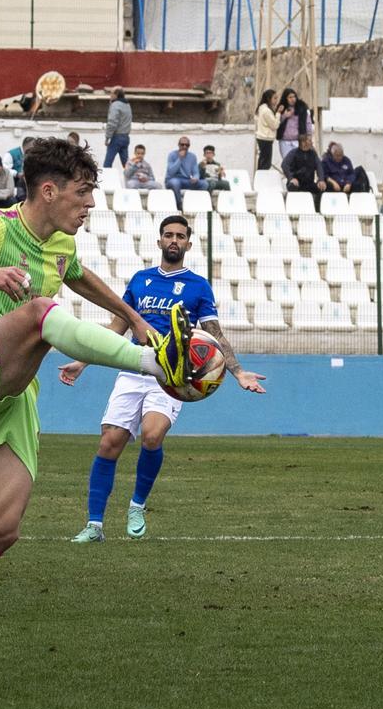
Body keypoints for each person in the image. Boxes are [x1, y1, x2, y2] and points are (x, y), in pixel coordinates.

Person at [0, 137, 197, 680]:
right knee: (41, 313)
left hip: (13, 395)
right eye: (83, 192)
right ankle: (154, 365)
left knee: (1, 529)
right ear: (49, 191)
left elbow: (78, 274)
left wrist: (136, 317)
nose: (89, 204)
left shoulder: (60, 244)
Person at [60, 215, 265, 542]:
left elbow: (214, 334)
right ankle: (94, 525)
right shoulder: (140, 280)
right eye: (168, 235)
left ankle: (137, 505)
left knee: (152, 436)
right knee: (109, 443)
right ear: (159, 241)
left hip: (172, 376)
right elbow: (117, 328)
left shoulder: (198, 286)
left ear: (188, 244)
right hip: (132, 368)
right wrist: (83, 361)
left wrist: (237, 371)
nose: (173, 240)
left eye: (180, 236)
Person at [282, 133, 326, 210]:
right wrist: (291, 178)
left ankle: (317, 210)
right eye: (310, 140)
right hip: (296, 182)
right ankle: (292, 209)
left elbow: (319, 166)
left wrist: (321, 180)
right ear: (303, 142)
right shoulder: (293, 153)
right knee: (292, 187)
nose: (312, 142)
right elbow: (284, 165)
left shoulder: (313, 154)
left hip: (309, 183)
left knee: (322, 188)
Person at [165, 136, 206, 209]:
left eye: (187, 145)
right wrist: (180, 158)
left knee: (204, 184)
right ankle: (179, 205)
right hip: (172, 179)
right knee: (175, 183)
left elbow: (196, 172)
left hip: (186, 180)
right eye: (182, 144)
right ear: (178, 145)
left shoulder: (192, 156)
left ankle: (195, 203)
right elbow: (171, 172)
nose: (184, 147)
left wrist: (195, 178)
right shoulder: (172, 155)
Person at [276, 88, 314, 162]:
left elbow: (308, 123)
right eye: (290, 97)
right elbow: (276, 122)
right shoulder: (281, 108)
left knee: (299, 162)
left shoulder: (301, 108)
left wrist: (309, 136)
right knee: (287, 161)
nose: (293, 99)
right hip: (285, 141)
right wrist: (284, 116)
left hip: (298, 140)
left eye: (294, 96)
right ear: (286, 98)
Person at [103, 87, 132, 168]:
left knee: (107, 164)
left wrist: (107, 137)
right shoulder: (127, 105)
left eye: (111, 93)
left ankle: (106, 177)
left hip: (116, 137)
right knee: (127, 165)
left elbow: (112, 123)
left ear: (116, 95)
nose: (110, 95)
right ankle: (133, 176)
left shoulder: (115, 105)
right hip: (125, 137)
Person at [255, 89, 280, 171]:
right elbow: (274, 125)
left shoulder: (262, 108)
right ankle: (262, 177)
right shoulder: (266, 111)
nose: (276, 100)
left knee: (263, 161)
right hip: (265, 138)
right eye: (275, 98)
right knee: (266, 163)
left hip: (263, 137)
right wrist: (278, 113)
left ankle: (260, 176)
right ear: (269, 99)